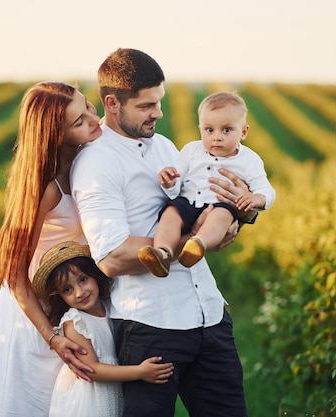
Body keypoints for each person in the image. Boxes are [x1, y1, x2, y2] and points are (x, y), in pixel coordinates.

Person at [71, 48, 254, 417]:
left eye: (159, 101)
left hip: (209, 314)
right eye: (146, 105)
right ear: (112, 103)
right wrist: (189, 243)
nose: (158, 112)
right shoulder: (96, 162)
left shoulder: (167, 147)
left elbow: (199, 204)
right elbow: (110, 256)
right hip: (152, 326)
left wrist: (234, 217)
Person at [0, 81, 102, 417]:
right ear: (56, 135)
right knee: (36, 402)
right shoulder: (45, 188)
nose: (94, 120)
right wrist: (51, 337)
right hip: (34, 313)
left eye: (88, 106)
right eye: (79, 121)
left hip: (68, 298)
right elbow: (14, 276)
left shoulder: (88, 152)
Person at [138, 91, 276, 277]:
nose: (216, 137)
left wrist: (255, 198)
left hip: (219, 204)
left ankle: (198, 244)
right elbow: (177, 176)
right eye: (209, 130)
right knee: (171, 214)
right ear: (200, 129)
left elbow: (266, 189)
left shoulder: (249, 160)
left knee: (220, 217)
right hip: (188, 201)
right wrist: (170, 181)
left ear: (243, 132)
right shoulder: (191, 150)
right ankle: (163, 252)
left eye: (226, 130)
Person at [31, 241, 174, 417]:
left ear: (95, 274)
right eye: (67, 289)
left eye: (83, 280)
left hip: (111, 388)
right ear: (60, 296)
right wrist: (140, 372)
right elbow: (91, 369)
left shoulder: (110, 306)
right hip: (90, 399)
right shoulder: (76, 322)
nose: (79, 292)